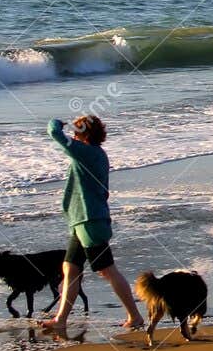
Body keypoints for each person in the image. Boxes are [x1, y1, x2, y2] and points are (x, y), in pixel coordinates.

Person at [37, 114, 143, 332]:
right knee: (70, 269)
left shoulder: (86, 153)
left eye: (77, 132)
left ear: (83, 134)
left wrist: (55, 122)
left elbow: (54, 133)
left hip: (90, 221)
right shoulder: (95, 153)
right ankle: (61, 320)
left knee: (107, 270)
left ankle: (135, 316)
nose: (74, 137)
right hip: (81, 221)